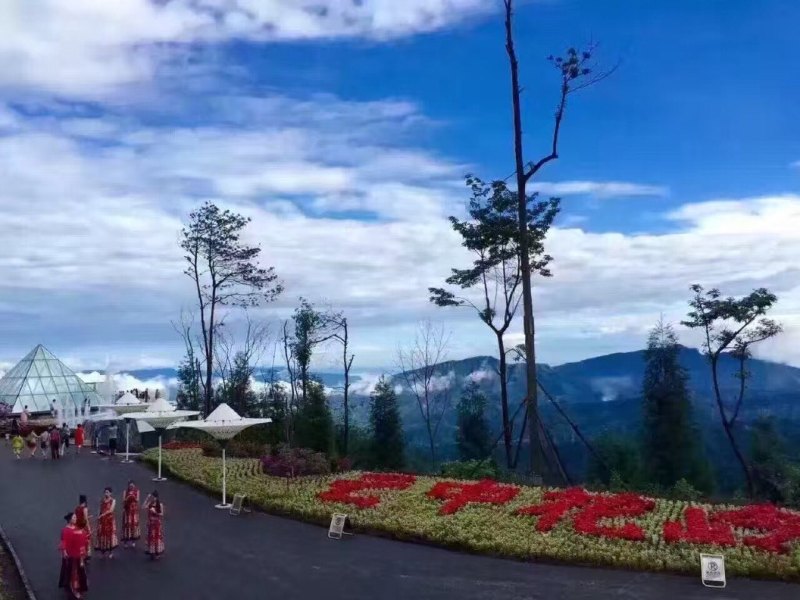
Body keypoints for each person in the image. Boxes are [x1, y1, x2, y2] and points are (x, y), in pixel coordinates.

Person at [58, 512, 88, 599]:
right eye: (74, 518)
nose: (75, 519)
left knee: (79, 572)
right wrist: (64, 552)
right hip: (70, 556)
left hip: (78, 554)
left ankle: (78, 588)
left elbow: (82, 540)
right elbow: (63, 542)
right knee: (72, 573)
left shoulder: (77, 528)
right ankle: (74, 590)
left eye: (75, 517)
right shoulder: (65, 530)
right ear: (69, 520)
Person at [95, 487, 118, 558]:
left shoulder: (113, 500)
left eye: (107, 492)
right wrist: (98, 516)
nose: (106, 494)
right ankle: (103, 552)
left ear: (111, 493)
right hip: (102, 521)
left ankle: (111, 552)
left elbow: (111, 510)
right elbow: (99, 509)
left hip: (109, 520)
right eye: (105, 492)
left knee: (109, 535)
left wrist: (102, 515)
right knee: (102, 535)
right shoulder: (102, 500)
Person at [144, 491, 165, 560]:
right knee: (151, 537)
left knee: (156, 537)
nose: (153, 498)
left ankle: (157, 552)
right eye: (152, 497)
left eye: (154, 497)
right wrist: (147, 498)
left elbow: (161, 514)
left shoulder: (160, 504)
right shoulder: (150, 503)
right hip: (150, 523)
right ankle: (151, 551)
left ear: (157, 497)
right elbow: (143, 507)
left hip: (156, 523)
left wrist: (155, 512)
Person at [121, 481, 140, 548]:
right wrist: (129, 497)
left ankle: (133, 541)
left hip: (134, 511)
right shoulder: (125, 491)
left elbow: (137, 500)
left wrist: (133, 497)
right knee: (126, 525)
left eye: (132, 486)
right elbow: (123, 500)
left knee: (133, 525)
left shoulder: (137, 491)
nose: (131, 487)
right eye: (130, 486)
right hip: (127, 510)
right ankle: (125, 541)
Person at [74, 495, 92, 560]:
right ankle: (86, 556)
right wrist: (89, 528)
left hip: (78, 526)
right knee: (86, 541)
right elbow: (85, 519)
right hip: (83, 527)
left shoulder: (77, 508)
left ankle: (79, 555)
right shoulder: (85, 508)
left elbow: (77, 517)